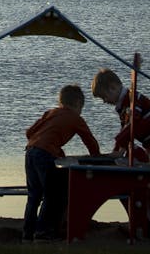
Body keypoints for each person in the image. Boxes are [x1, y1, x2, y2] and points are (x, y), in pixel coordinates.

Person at [91, 67, 150, 243]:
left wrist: (120, 149)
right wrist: (118, 150)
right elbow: (125, 129)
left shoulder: (133, 99)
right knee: (149, 186)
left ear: (113, 87)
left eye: (104, 97)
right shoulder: (124, 106)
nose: (105, 101)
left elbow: (133, 125)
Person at [22, 84, 101, 242]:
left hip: (30, 151)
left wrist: (55, 149)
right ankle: (43, 232)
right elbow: (90, 141)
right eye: (81, 108)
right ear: (78, 103)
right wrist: (97, 158)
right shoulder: (75, 118)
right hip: (44, 155)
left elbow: (29, 132)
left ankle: (27, 233)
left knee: (34, 196)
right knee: (52, 194)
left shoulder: (51, 113)